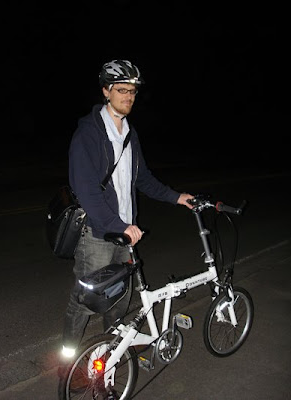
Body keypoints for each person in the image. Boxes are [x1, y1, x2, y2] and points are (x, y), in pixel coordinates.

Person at [61, 59, 194, 358]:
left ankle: (111, 353)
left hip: (125, 235)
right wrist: (117, 225)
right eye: (122, 90)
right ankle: (68, 364)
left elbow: (143, 179)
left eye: (133, 91)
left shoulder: (130, 134)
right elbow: (87, 191)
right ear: (106, 91)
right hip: (97, 235)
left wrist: (176, 197)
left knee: (120, 299)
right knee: (85, 301)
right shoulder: (89, 135)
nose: (129, 97)